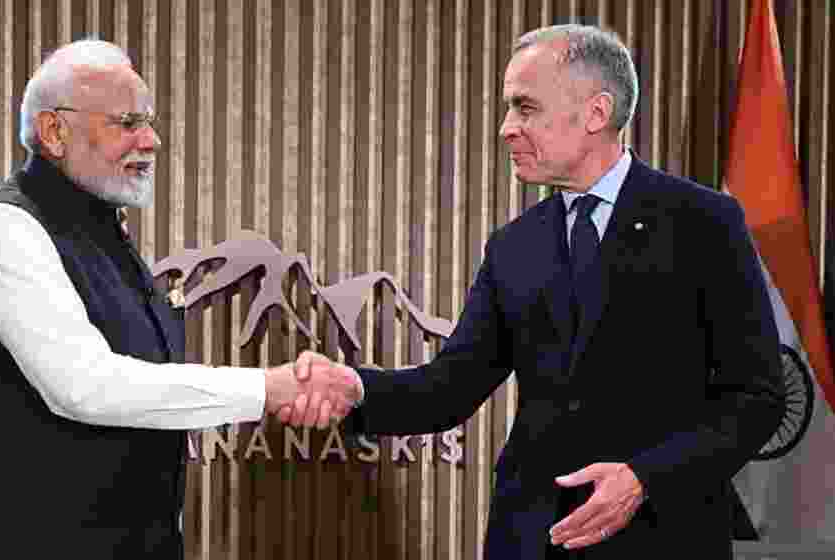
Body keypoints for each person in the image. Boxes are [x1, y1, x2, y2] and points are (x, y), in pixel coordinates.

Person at [281, 24, 784, 560]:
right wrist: (355, 388)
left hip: (663, 537)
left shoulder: (704, 223)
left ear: (596, 113)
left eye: (524, 107)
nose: (505, 129)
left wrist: (644, 478)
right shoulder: (514, 246)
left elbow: (756, 398)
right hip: (530, 540)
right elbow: (448, 387)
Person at [0, 39, 358, 559]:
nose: (152, 140)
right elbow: (85, 387)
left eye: (149, 121)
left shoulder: (103, 230)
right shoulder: (8, 227)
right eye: (128, 122)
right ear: (54, 131)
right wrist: (267, 388)